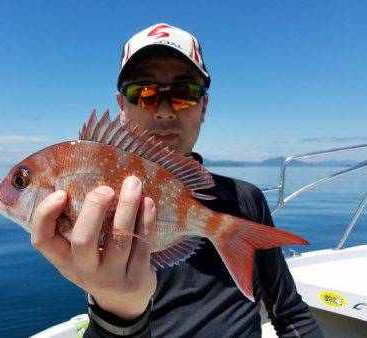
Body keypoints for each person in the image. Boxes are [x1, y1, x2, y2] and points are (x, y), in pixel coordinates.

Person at [30, 23, 323, 337]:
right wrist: (118, 308)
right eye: (144, 93)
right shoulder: (96, 204)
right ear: (122, 108)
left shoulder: (246, 199)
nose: (166, 111)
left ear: (204, 107)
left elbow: (290, 313)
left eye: (184, 94)